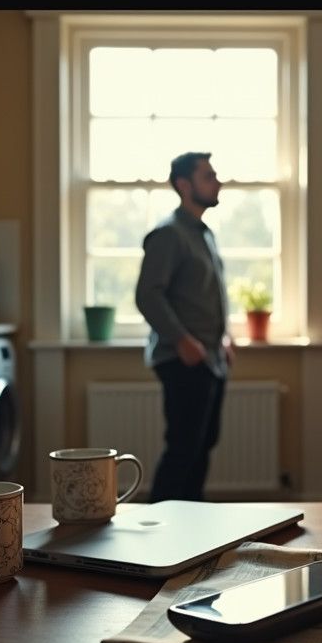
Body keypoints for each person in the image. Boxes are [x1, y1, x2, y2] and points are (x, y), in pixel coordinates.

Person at [134, 152, 234, 502]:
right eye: (208, 176)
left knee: (202, 446)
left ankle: (192, 522)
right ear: (184, 185)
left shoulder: (203, 234)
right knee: (183, 450)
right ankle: (162, 524)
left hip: (210, 360)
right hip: (183, 361)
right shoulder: (169, 234)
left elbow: (203, 295)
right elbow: (147, 295)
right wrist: (181, 340)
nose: (217, 182)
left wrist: (223, 338)